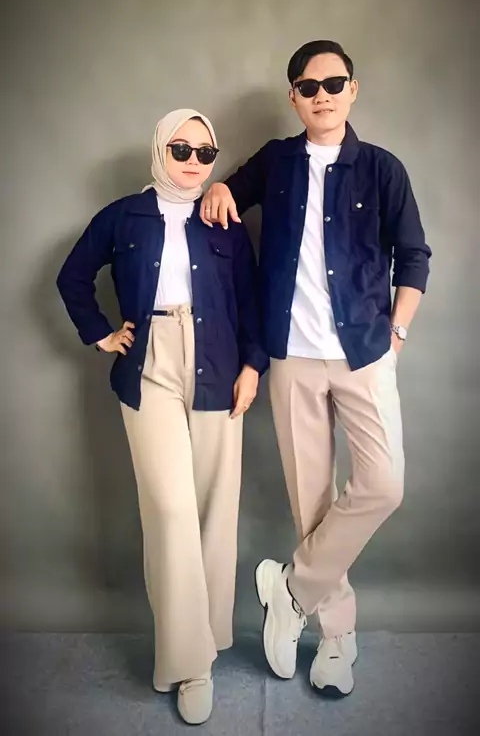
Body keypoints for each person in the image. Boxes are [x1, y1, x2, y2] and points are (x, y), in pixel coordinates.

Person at [200, 41, 431, 698]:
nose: (321, 94)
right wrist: (218, 187)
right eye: (308, 86)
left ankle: (291, 590)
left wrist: (398, 331)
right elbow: (228, 189)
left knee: (382, 484)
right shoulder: (276, 161)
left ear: (352, 89)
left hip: (364, 353)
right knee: (314, 503)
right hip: (292, 358)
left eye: (334, 83)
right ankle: (336, 638)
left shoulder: (382, 169)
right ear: (294, 97)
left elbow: (414, 256)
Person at [57, 108, 268, 725]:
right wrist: (101, 333)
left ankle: (208, 636)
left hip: (220, 361)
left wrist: (254, 365)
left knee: (214, 508)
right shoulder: (123, 216)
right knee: (171, 510)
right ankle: (188, 661)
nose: (194, 162)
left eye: (205, 153)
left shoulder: (224, 219)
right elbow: (73, 277)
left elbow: (251, 298)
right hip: (149, 362)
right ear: (160, 150)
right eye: (181, 149)